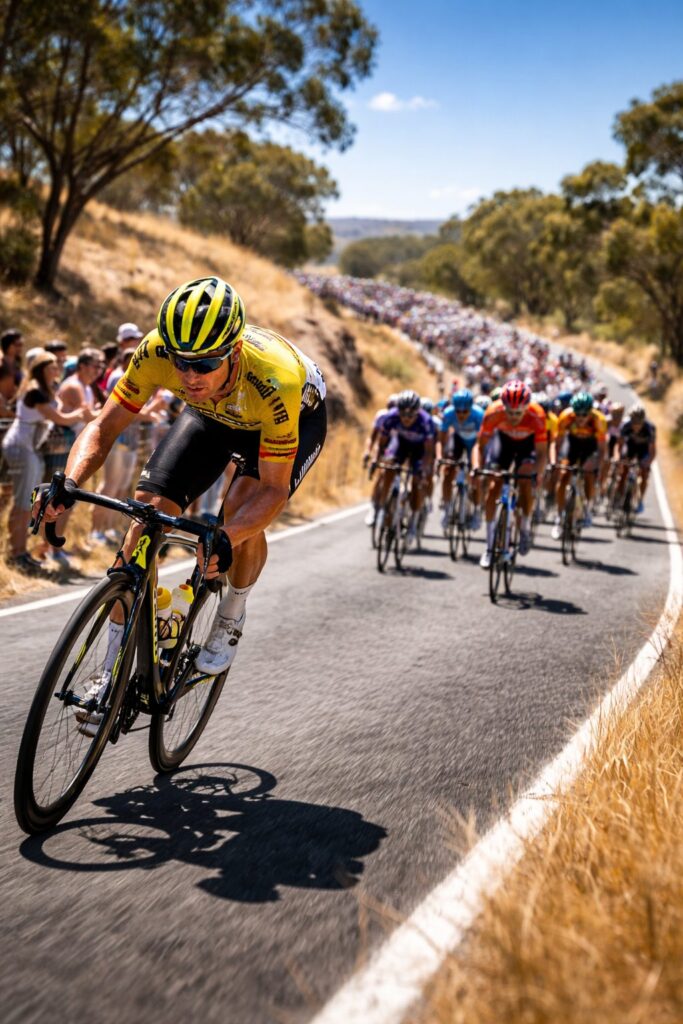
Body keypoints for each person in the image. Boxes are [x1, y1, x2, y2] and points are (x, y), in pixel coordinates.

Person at [36, 276, 327, 680]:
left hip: (282, 418)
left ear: (234, 351)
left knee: (238, 516)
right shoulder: (155, 350)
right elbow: (104, 427)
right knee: (145, 518)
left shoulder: (275, 380)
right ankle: (111, 670)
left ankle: (231, 613)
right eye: (181, 362)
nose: (190, 375)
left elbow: (274, 489)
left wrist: (227, 537)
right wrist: (69, 480)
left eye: (205, 363)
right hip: (210, 416)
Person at [2, 351, 89, 574]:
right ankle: (17, 553)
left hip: (30, 447)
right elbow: (60, 418)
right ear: (41, 369)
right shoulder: (34, 391)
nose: (57, 370)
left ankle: (21, 551)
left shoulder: (44, 389)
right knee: (23, 502)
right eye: (52, 367)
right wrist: (81, 414)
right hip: (22, 447)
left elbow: (59, 410)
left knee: (26, 500)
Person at [473, 380, 547, 568]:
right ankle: (490, 547)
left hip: (526, 445)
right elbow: (479, 446)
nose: (513, 417)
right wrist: (477, 468)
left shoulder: (536, 414)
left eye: (518, 413)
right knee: (493, 485)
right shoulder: (493, 412)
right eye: (509, 412)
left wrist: (537, 475)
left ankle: (524, 526)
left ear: (526, 408)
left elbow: (541, 453)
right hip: (503, 442)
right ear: (502, 406)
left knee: (524, 479)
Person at [373, 389, 436, 545]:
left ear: (417, 412)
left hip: (419, 450)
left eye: (411, 415)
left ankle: (413, 521)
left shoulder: (426, 421)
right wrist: (377, 459)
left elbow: (429, 451)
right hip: (400, 446)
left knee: (416, 480)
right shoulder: (391, 417)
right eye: (403, 414)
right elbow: (382, 443)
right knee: (389, 468)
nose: (406, 419)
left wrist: (425, 468)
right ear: (398, 410)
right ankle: (385, 505)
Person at [551, 392, 607, 539]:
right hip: (573, 445)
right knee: (563, 476)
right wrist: (555, 461)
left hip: (590, 447)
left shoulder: (598, 420)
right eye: (578, 414)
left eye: (584, 414)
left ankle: (587, 509)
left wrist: (598, 467)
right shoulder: (566, 417)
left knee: (588, 473)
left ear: (590, 412)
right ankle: (559, 516)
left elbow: (602, 449)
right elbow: (558, 442)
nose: (581, 418)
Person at [438, 388, 483, 530]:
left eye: (465, 412)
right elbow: (441, 440)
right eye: (458, 411)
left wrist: (476, 465)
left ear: (471, 408)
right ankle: (446, 509)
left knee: (476, 477)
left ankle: (476, 511)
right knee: (448, 470)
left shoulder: (479, 415)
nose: (461, 415)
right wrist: (440, 457)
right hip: (457, 439)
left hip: (475, 443)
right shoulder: (448, 413)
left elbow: (480, 444)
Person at [362, 393, 398, 526]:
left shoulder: (400, 419)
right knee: (381, 475)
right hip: (383, 447)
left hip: (396, 448)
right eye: (390, 406)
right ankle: (374, 506)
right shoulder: (382, 416)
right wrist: (368, 453)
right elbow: (373, 438)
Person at [616, 403, 656, 513]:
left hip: (643, 451)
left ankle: (640, 500)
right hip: (631, 448)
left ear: (643, 420)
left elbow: (652, 452)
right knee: (623, 472)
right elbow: (619, 445)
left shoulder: (650, 429)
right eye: (634, 422)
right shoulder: (626, 425)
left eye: (639, 423)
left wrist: (647, 463)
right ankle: (618, 496)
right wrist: (619, 459)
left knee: (644, 475)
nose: (636, 426)